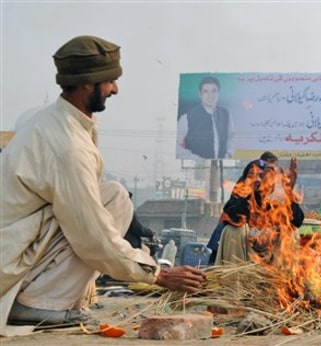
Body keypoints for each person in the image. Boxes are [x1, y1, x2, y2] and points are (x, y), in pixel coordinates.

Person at [0, 35, 205, 334]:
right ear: (87, 83)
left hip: (23, 247)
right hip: (10, 262)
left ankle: (52, 299)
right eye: (110, 81)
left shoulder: (61, 122)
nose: (115, 89)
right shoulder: (67, 145)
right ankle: (37, 303)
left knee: (115, 197)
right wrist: (158, 275)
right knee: (97, 219)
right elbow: (93, 237)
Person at [214, 159, 304, 265]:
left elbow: (297, 220)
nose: (257, 180)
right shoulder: (237, 200)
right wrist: (249, 192)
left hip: (269, 259)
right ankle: (235, 278)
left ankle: (280, 278)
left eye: (261, 176)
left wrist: (288, 191)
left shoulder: (274, 204)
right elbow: (234, 217)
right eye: (251, 176)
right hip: (243, 258)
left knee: (289, 231)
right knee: (234, 230)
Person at [176, 76, 234, 159]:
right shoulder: (187, 117)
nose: (210, 95)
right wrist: (195, 159)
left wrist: (229, 153)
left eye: (214, 91)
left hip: (220, 166)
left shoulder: (226, 114)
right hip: (197, 168)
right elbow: (175, 145)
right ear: (200, 94)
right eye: (206, 91)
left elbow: (232, 137)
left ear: (219, 93)